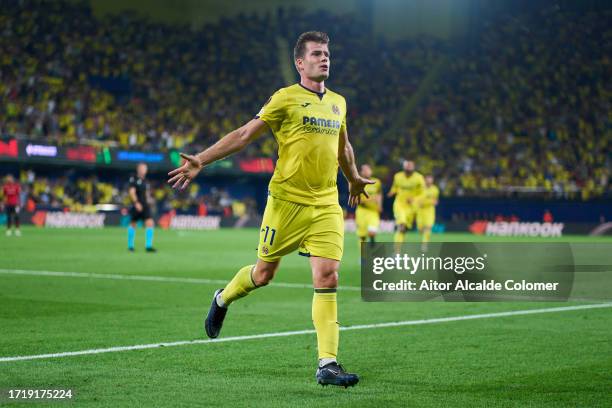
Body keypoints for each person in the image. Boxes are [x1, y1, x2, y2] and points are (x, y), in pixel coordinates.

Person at [168, 31, 372, 388]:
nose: (324, 59)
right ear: (300, 62)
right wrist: (201, 158)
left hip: (326, 203)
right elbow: (245, 134)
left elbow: (344, 146)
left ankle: (328, 363)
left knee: (328, 277)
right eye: (316, 54)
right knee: (263, 275)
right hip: (286, 201)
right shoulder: (285, 98)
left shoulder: (338, 102)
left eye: (327, 54)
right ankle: (223, 297)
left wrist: (353, 178)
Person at [387, 160, 425, 244]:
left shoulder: (419, 178)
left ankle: (398, 249)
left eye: (410, 165)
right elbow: (395, 187)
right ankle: (396, 252)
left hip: (411, 207)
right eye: (407, 165)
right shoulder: (397, 176)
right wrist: (392, 192)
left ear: (414, 167)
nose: (408, 167)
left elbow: (423, 193)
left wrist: (414, 199)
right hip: (399, 204)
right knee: (402, 225)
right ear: (404, 167)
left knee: (404, 230)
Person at [128, 163, 156, 252]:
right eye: (142, 168)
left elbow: (146, 194)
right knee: (133, 224)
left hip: (145, 205)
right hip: (137, 205)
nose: (144, 170)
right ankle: (130, 246)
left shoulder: (145, 181)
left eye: (145, 168)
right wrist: (136, 203)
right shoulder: (133, 179)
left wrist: (149, 201)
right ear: (138, 169)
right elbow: (132, 192)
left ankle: (148, 246)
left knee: (150, 223)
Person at [355, 164, 382, 247]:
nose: (367, 172)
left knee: (372, 232)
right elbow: (356, 200)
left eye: (368, 170)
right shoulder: (357, 183)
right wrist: (369, 200)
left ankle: (372, 242)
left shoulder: (376, 182)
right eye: (364, 170)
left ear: (371, 171)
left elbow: (379, 194)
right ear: (361, 172)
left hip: (373, 211)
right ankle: (362, 257)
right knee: (362, 237)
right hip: (362, 211)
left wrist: (380, 205)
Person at [415, 175, 439, 252]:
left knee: (428, 227)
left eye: (431, 179)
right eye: (428, 179)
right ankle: (423, 238)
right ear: (425, 180)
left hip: (430, 210)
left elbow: (435, 201)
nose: (429, 181)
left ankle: (424, 244)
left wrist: (433, 202)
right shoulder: (420, 188)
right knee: (420, 229)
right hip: (420, 211)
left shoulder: (435, 189)